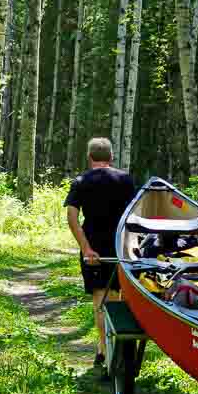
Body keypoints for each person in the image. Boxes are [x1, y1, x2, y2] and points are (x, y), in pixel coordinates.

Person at [64, 137, 136, 368]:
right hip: (121, 247)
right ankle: (119, 347)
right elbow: (135, 215)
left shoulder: (81, 181)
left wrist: (85, 247)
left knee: (100, 299)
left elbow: (72, 218)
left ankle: (104, 352)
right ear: (111, 157)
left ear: (90, 158)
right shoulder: (126, 180)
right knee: (120, 296)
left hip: (93, 249)